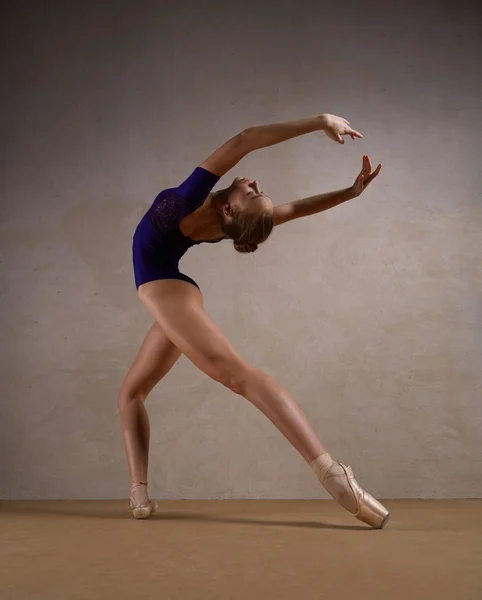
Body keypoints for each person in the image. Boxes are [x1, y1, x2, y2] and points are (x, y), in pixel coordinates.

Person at [117, 113, 388, 528]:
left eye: (255, 193)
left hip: (164, 288)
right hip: (171, 290)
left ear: (228, 207)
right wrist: (348, 194)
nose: (257, 185)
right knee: (131, 394)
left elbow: (246, 139)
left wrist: (320, 121)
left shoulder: (189, 200)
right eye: (261, 193)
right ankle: (139, 494)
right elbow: (294, 209)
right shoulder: (229, 223)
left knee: (236, 375)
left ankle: (333, 475)